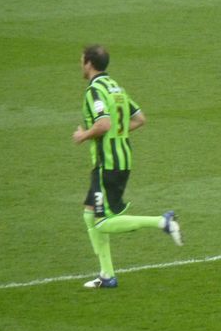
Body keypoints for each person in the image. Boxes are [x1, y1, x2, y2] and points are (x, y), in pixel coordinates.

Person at [73, 45, 182, 289]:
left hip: (108, 162)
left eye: (81, 60)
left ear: (89, 63)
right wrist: (118, 133)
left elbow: (102, 124)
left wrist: (84, 136)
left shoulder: (95, 90)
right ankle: (107, 275)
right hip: (120, 157)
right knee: (90, 213)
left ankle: (162, 222)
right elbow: (139, 119)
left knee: (102, 221)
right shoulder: (116, 87)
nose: (80, 64)